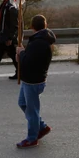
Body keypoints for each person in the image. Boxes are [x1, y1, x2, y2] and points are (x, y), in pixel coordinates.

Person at [16, 14, 56, 149]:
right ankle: (42, 126)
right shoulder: (42, 38)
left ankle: (32, 138)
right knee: (22, 103)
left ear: (32, 26)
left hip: (33, 81)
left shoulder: (38, 42)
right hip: (29, 79)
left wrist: (21, 53)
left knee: (32, 111)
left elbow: (28, 62)